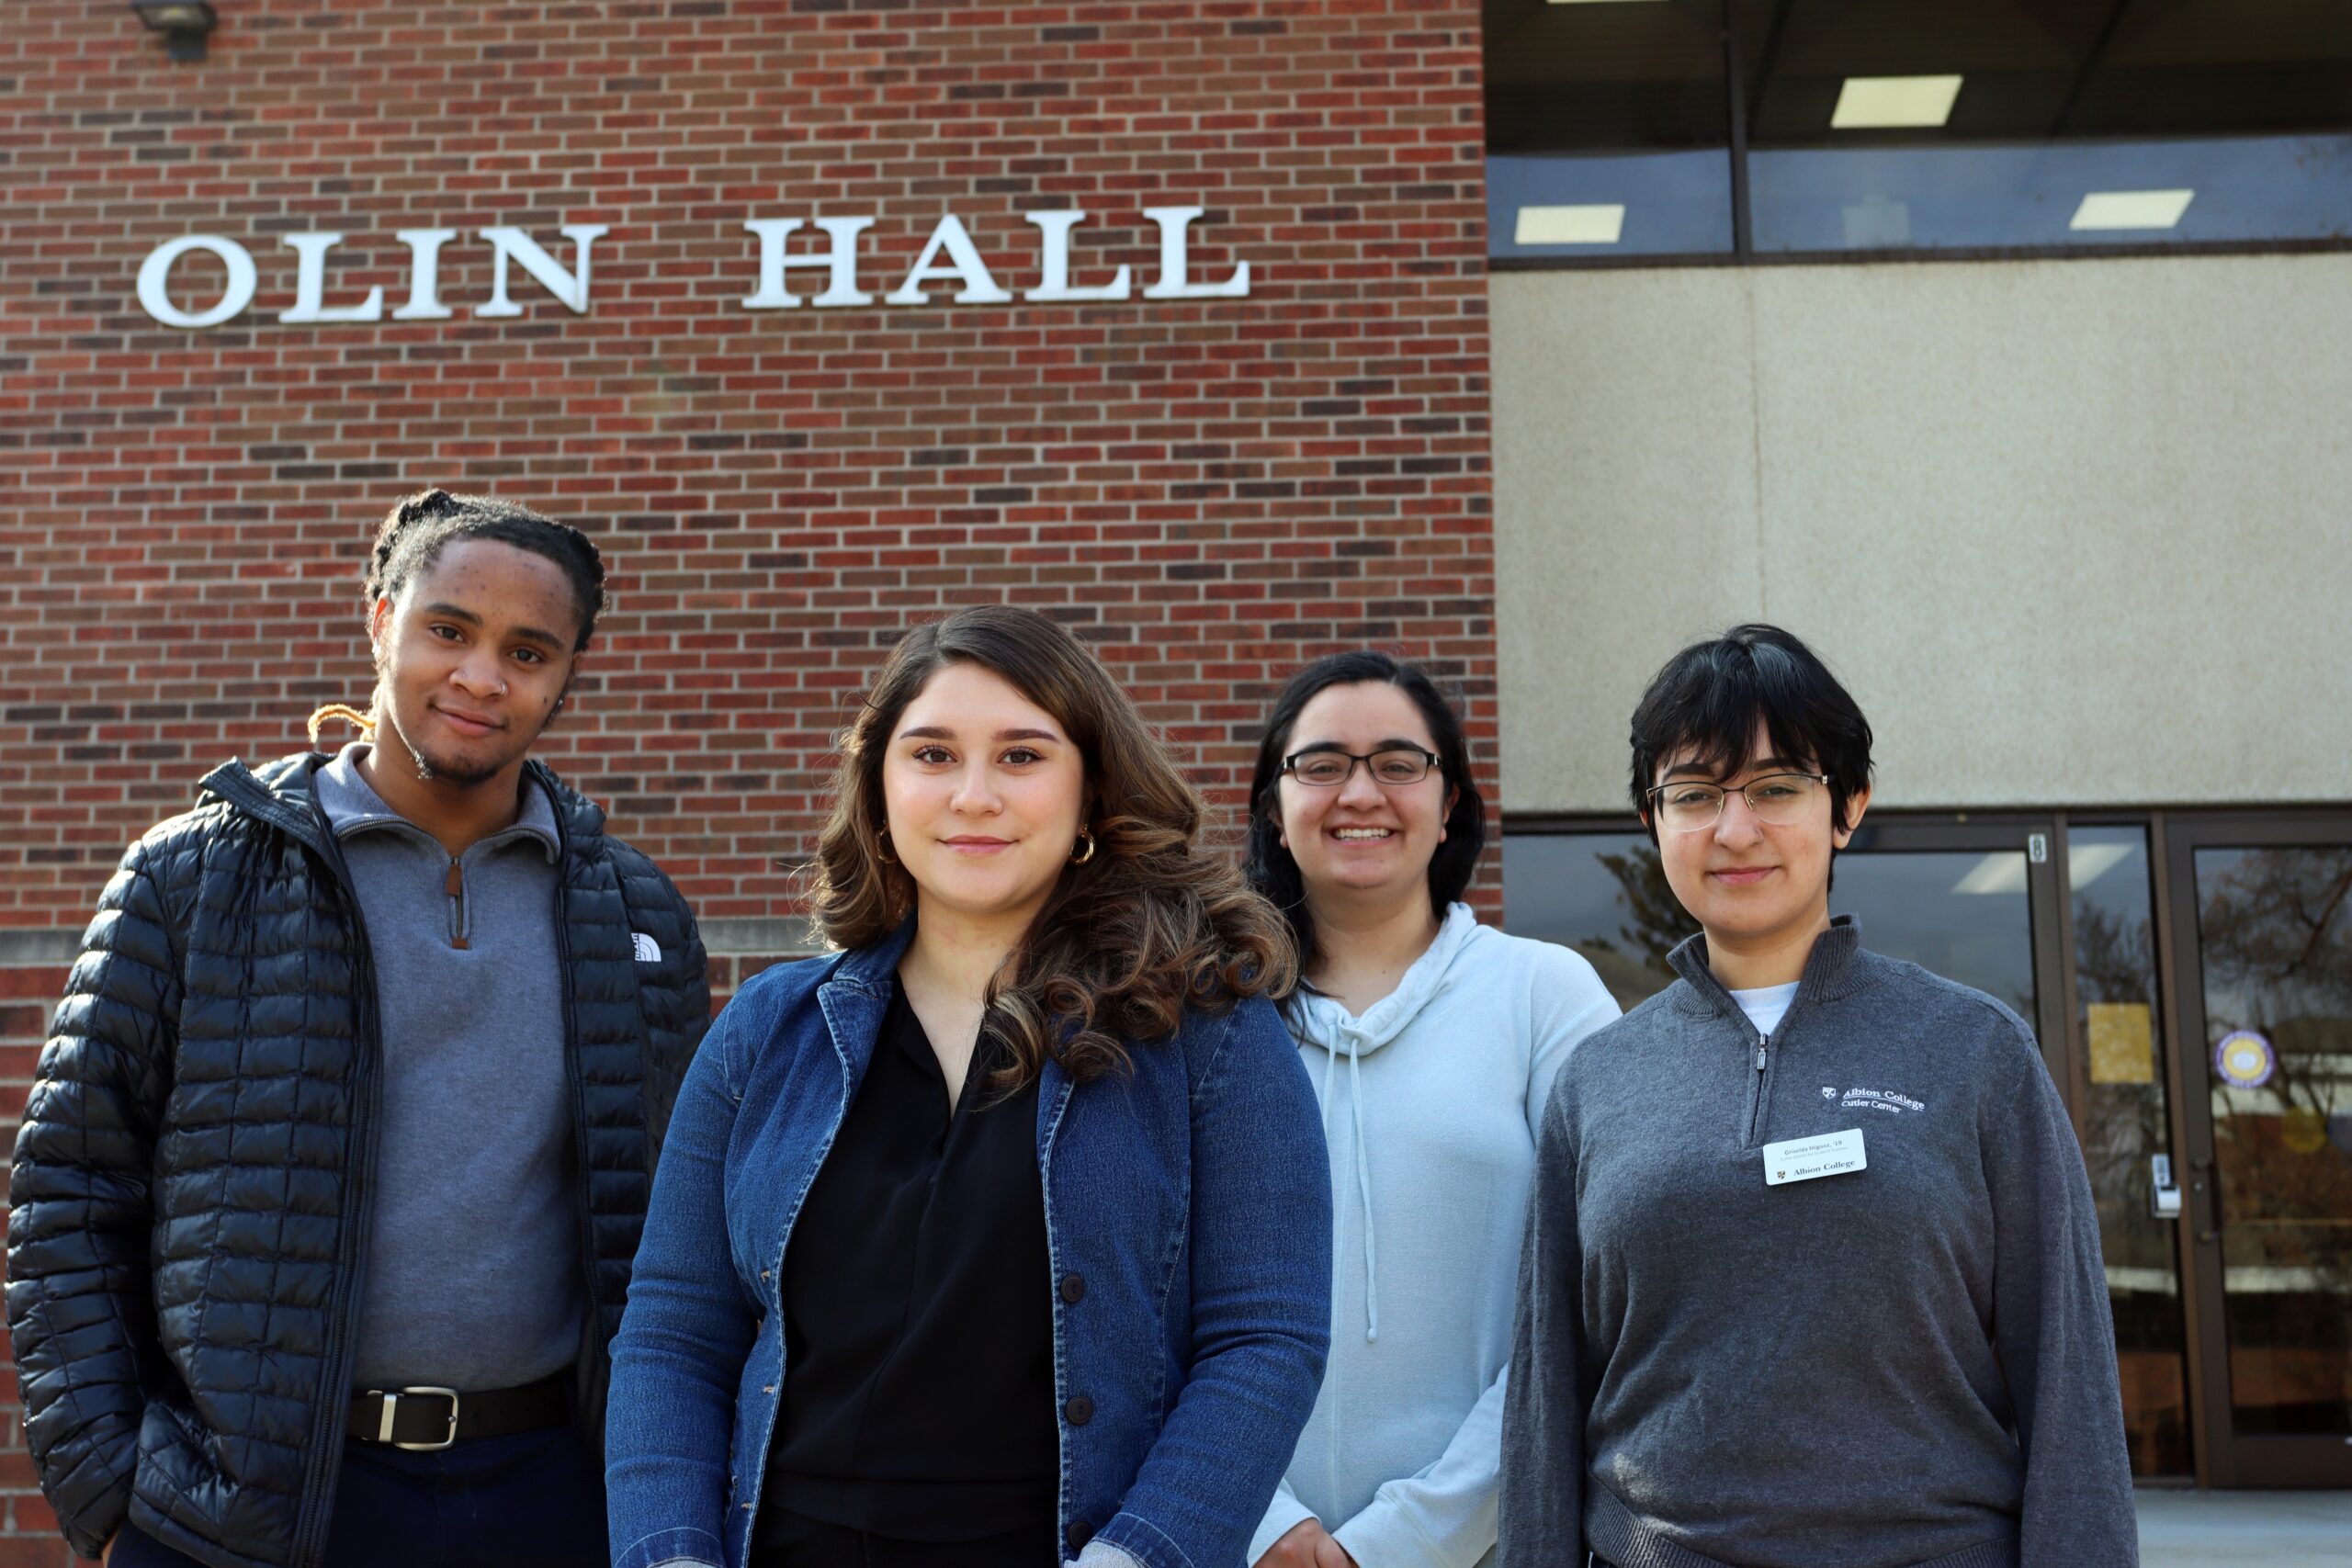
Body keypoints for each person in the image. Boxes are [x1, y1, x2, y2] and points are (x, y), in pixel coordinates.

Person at [6, 490, 711, 1568]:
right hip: (248, 1511)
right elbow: (71, 1189)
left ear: (567, 676)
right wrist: (109, 1491)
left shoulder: (634, 913)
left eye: (528, 651)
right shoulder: (192, 877)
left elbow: (673, 1232)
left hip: (553, 1499)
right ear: (382, 618)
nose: (481, 677)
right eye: (449, 630)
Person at [604, 604, 1332, 1568]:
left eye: (1022, 757)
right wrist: (669, 1557)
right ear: (879, 789)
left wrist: (1138, 1559)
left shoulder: (1208, 1031)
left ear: (1090, 794)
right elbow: (671, 1335)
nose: (973, 795)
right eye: (933, 755)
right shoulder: (766, 1029)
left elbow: (1264, 1338)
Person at [1499, 624, 2138, 1568]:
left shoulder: (1975, 1051)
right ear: (1651, 821)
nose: (1735, 829)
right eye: (1694, 795)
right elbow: (1546, 1400)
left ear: (1848, 807)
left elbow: (2067, 1374)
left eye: (1776, 787)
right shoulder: (1597, 1083)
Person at [1240, 652, 1619, 1568]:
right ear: (1272, 809)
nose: (1359, 793)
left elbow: (1595, 1298)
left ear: (1448, 802)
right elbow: (1143, 1298)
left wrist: (1404, 1542)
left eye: (1399, 763)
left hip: (1492, 1545)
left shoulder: (1545, 996)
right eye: (1322, 764)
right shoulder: (1204, 1016)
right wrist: (1263, 1524)